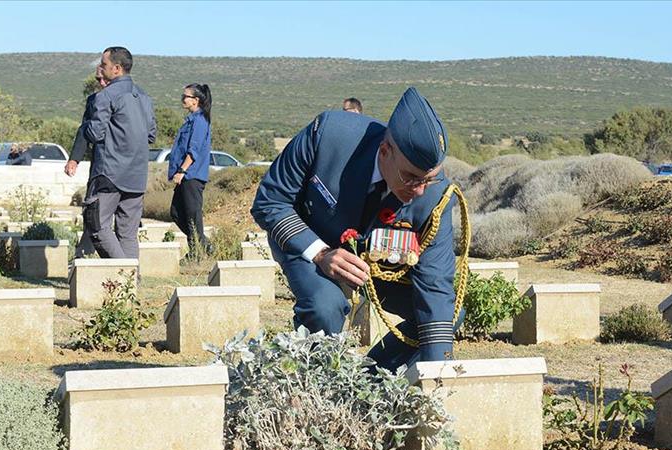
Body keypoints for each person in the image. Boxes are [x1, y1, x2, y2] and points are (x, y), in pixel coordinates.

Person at [252, 87, 462, 372]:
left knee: (443, 318)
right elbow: (270, 202)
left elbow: (436, 284)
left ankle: (371, 380)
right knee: (325, 306)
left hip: (374, 264)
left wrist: (439, 374)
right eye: (412, 178)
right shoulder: (328, 135)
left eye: (429, 179)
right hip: (310, 240)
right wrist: (321, 254)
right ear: (385, 151)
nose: (420, 190)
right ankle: (315, 389)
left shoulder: (435, 195)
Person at [79, 46, 156, 259]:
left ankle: (124, 274)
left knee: (97, 226)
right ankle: (131, 284)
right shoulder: (144, 97)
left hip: (109, 173)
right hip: (137, 174)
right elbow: (151, 135)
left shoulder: (106, 96)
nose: (100, 69)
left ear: (117, 69)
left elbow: (94, 133)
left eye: (104, 65)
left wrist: (85, 126)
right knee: (128, 234)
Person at [65, 66, 108, 258]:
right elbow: (85, 130)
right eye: (97, 79)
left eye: (103, 78)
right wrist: (74, 159)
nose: (101, 82)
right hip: (99, 164)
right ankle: (86, 252)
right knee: (92, 209)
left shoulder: (131, 99)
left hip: (125, 166)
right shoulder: (94, 101)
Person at [168, 83, 212, 254]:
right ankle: (204, 245)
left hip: (192, 176)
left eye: (185, 96)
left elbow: (193, 150)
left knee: (192, 216)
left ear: (196, 100)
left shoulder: (200, 121)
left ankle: (196, 253)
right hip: (185, 176)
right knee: (177, 212)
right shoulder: (190, 120)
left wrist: (182, 170)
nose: (182, 99)